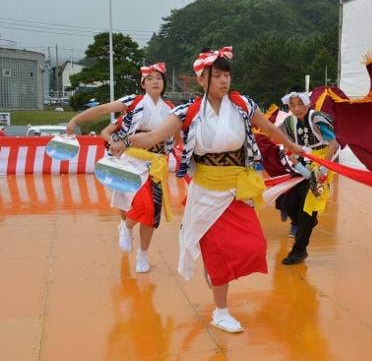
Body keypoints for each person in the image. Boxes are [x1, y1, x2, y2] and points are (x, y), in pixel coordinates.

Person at [109, 47, 303, 333]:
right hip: (206, 192)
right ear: (202, 80)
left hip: (237, 190)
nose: (224, 81)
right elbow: (152, 136)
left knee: (254, 247)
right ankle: (221, 311)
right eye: (217, 76)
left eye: (227, 75)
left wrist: (292, 145)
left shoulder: (243, 104)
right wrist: (124, 142)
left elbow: (269, 130)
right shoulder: (187, 111)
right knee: (217, 253)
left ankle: (215, 275)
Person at [66, 62, 175, 273]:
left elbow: (176, 134)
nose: (155, 81)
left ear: (164, 82)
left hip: (155, 163)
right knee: (139, 206)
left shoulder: (170, 108)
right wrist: (75, 119)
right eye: (150, 78)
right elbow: (102, 109)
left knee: (151, 213)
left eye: (159, 78)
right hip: (132, 159)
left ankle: (142, 254)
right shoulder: (132, 103)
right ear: (143, 83)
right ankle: (125, 227)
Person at [277, 91, 338, 265]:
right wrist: (298, 165)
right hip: (304, 160)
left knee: (308, 207)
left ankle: (299, 250)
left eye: (300, 104)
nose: (297, 109)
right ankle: (307, 221)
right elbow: (287, 146)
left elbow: (332, 144)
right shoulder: (289, 122)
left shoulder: (316, 118)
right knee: (287, 202)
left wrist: (325, 168)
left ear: (307, 103)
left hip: (325, 159)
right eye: (292, 105)